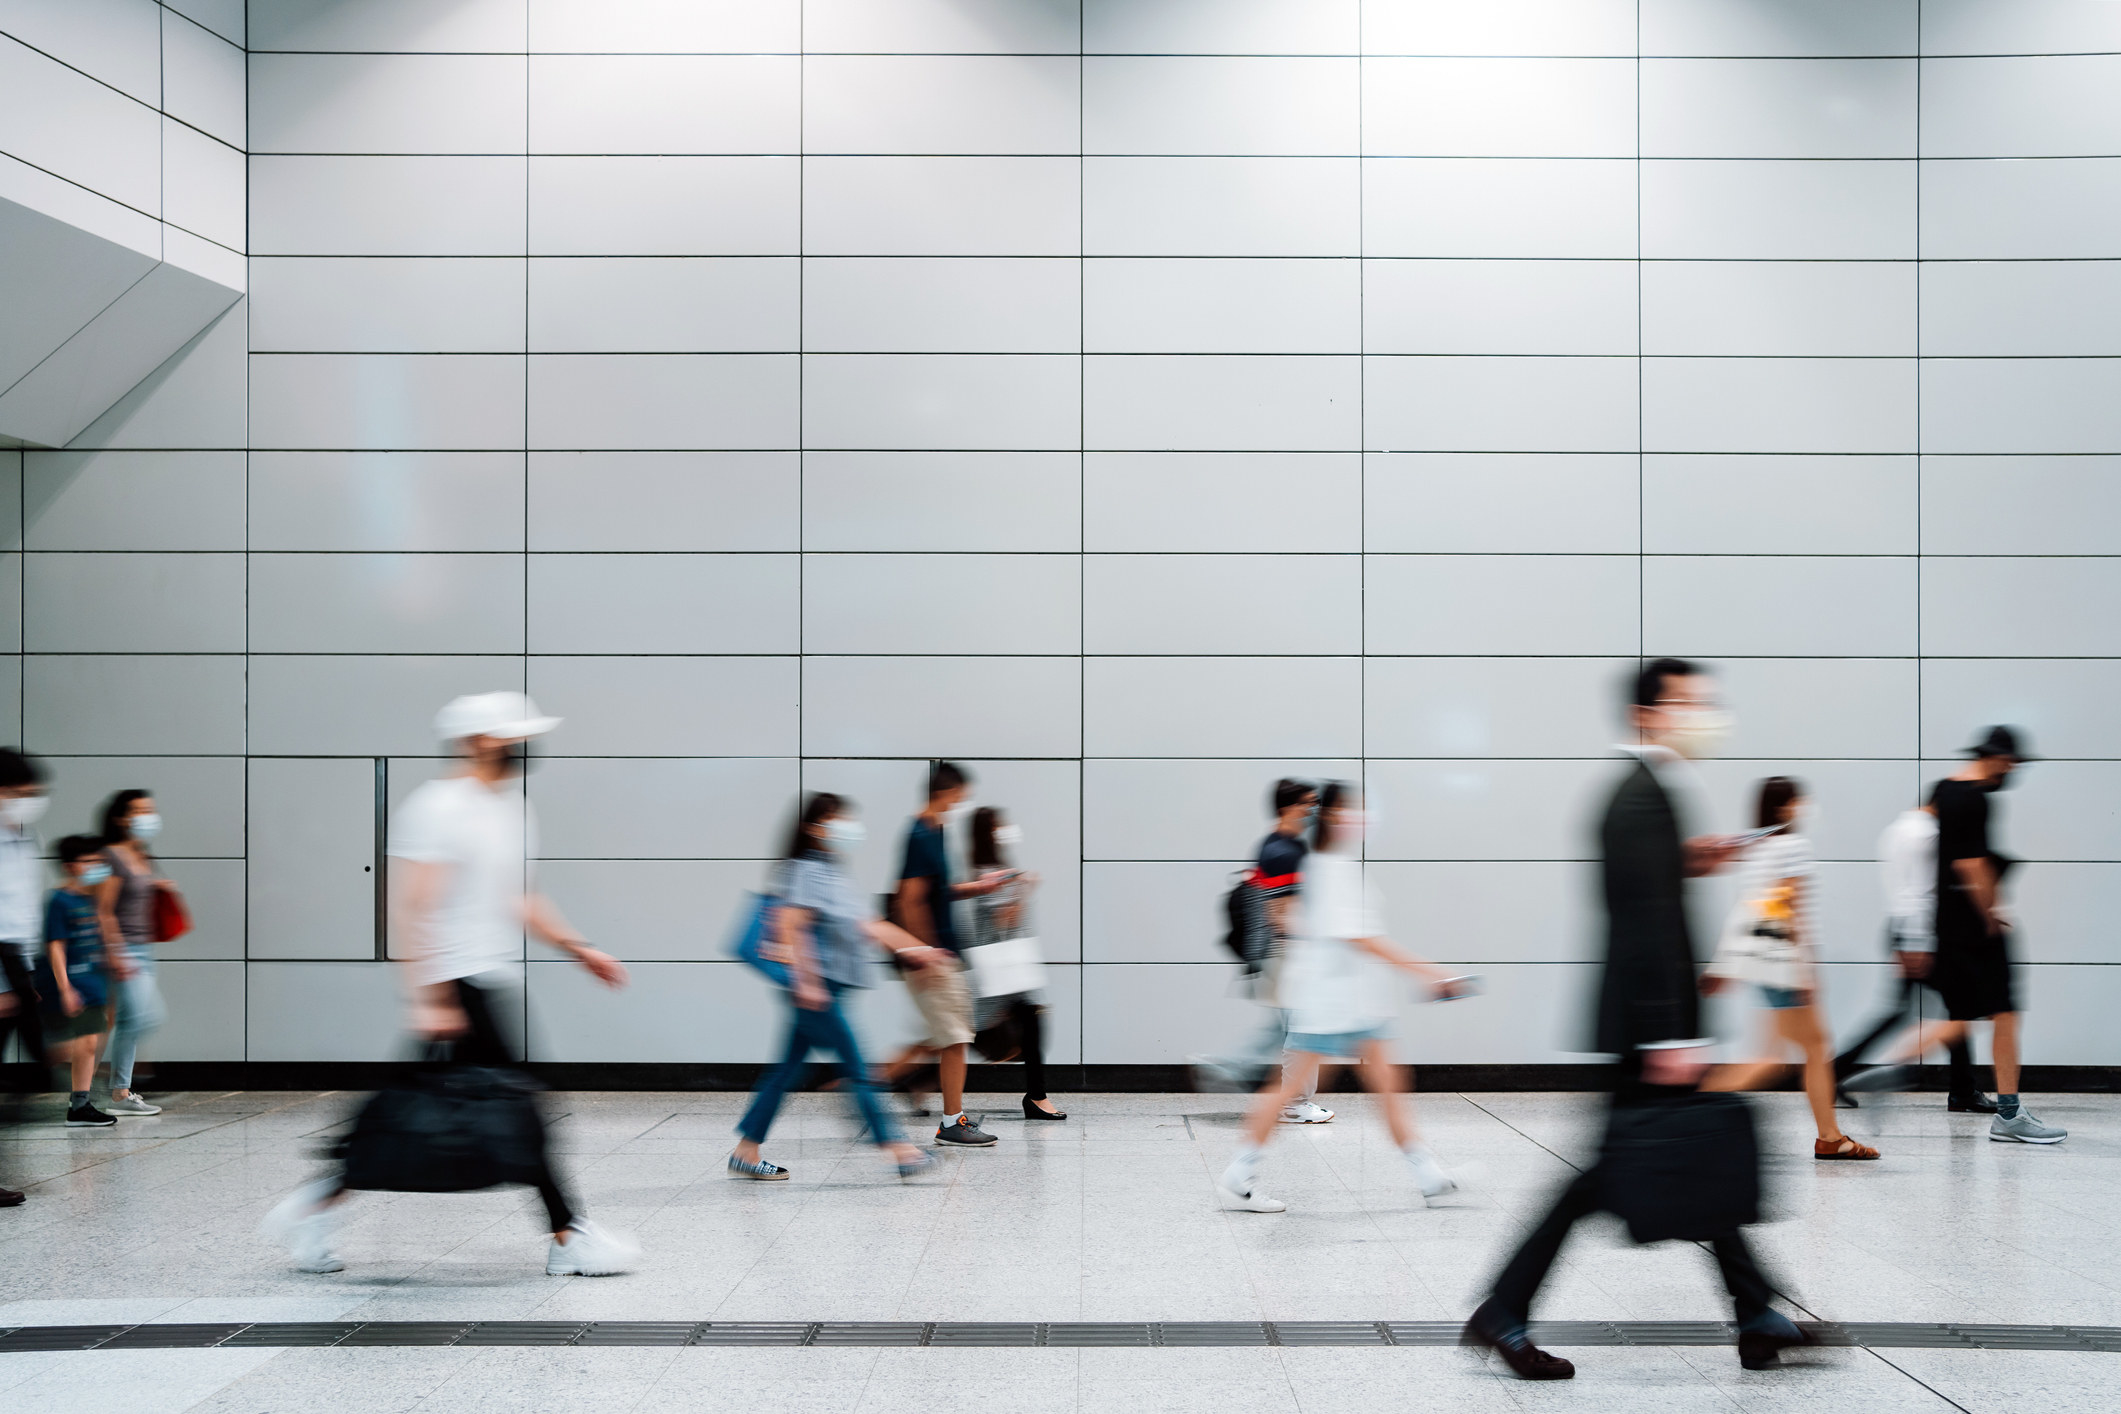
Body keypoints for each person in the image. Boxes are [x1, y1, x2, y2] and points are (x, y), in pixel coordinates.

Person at [1464, 659, 1811, 1380]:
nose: (1702, 716)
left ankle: (1754, 1315)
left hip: (1648, 1021)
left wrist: (1690, 860)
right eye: (1687, 704)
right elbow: (1642, 920)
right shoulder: (1640, 796)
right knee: (1638, 1166)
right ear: (1645, 714)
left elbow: (1646, 889)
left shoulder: (1647, 793)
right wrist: (1669, 1033)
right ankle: (1506, 1308)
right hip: (1650, 1025)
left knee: (1667, 1159)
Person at [261, 692, 640, 1275]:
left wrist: (578, 947)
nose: (524, 746)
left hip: (487, 976)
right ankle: (569, 1238)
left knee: (409, 1111)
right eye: (512, 735)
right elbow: (412, 907)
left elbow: (518, 897)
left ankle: (317, 1203)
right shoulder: (437, 807)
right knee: (518, 1109)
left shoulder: (511, 807)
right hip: (455, 981)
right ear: (480, 741)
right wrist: (428, 996)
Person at [1215, 782, 1468, 1213]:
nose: (1363, 817)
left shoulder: (1336, 865)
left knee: (1389, 1084)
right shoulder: (1327, 868)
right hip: (1331, 1004)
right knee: (1288, 1090)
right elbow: (1363, 938)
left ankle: (1428, 1175)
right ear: (1334, 816)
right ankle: (1237, 1178)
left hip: (1355, 1001)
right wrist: (1430, 974)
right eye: (1355, 809)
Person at [1847, 727, 2063, 1144]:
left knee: (1963, 1018)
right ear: (1998, 759)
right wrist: (1992, 914)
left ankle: (1889, 1074)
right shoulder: (1974, 798)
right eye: (2012, 762)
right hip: (1971, 926)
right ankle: (2010, 1113)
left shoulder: (1942, 790)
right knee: (2004, 1013)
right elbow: (1971, 865)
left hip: (1943, 925)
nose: (2013, 770)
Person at [730, 793, 939, 1180]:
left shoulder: (831, 871)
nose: (848, 827)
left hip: (827, 989)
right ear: (814, 826)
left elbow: (869, 924)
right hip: (817, 990)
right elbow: (791, 925)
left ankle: (746, 1150)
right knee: (858, 1069)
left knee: (785, 1071)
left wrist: (919, 949)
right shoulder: (806, 869)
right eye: (838, 819)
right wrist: (807, 982)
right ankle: (898, 1149)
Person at [1701, 778, 1878, 1160]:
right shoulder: (1794, 846)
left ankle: (1830, 1136)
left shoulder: (1757, 848)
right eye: (1800, 800)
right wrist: (1806, 969)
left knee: (1793, 1049)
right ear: (1784, 807)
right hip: (1784, 963)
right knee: (1784, 1055)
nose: (1806, 806)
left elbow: (1752, 909)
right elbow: (1792, 908)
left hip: (1763, 962)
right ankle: (1685, 1115)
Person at [878, 762, 1010, 1148]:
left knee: (947, 1037)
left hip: (943, 952)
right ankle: (951, 1121)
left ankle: (869, 1088)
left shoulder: (936, 831)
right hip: (932, 955)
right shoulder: (919, 832)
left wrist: (978, 888)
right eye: (960, 793)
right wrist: (921, 952)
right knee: (953, 1038)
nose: (963, 800)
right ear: (945, 792)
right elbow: (910, 899)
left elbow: (940, 891)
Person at [1191, 778, 1335, 1124]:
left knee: (1285, 1029)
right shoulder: (1283, 851)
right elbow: (1279, 912)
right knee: (1302, 1030)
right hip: (1286, 952)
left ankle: (1231, 1064)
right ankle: (1294, 1102)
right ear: (1288, 807)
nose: (1315, 810)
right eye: (1309, 803)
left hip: (1279, 952)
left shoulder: (1277, 845)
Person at [1831, 793, 1984, 1111]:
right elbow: (1919, 890)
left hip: (1903, 927)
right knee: (1958, 1008)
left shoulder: (1897, 828)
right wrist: (1919, 942)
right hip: (1921, 930)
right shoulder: (1927, 834)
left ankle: (1964, 1089)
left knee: (1939, 1008)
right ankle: (1963, 1091)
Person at [964, 806, 1063, 1121]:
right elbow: (1003, 919)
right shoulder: (987, 873)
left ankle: (1036, 1097)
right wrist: (1024, 890)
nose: (1007, 828)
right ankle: (1036, 1098)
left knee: (1024, 1025)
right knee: (973, 1034)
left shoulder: (995, 867)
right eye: (999, 825)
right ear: (989, 832)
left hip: (1005, 969)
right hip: (998, 970)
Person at [93, 790, 175, 1116]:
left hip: (143, 948)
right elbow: (104, 909)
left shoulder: (142, 855)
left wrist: (160, 887)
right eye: (139, 810)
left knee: (131, 1020)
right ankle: (102, 1081)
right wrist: (115, 952)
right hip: (123, 949)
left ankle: (117, 1091)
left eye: (149, 810)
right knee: (145, 1016)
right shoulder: (112, 856)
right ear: (120, 818)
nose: (147, 816)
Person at [0, 749, 51, 1202]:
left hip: (18, 962)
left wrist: (26, 979)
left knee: (38, 1066)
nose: (29, 800)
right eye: (22, 792)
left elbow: (21, 911)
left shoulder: (21, 835)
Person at [39, 836, 119, 1129]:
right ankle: (79, 1105)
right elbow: (55, 945)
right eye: (90, 861)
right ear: (71, 866)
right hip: (73, 982)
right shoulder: (59, 901)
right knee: (83, 1044)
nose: (97, 866)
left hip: (93, 981)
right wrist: (64, 987)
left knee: (91, 1042)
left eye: (99, 861)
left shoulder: (91, 899)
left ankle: (80, 1104)